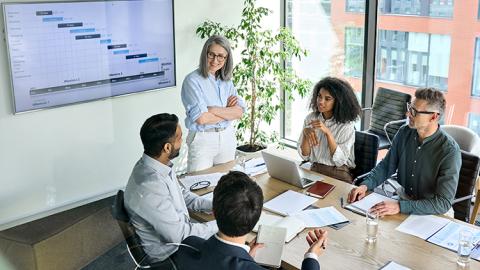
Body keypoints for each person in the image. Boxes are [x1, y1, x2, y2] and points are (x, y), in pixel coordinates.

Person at [173, 171, 328, 270]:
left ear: (214, 210)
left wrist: (247, 258)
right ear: (257, 217)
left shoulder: (188, 246)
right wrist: (311, 256)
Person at [348, 88, 461, 217]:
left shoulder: (450, 151)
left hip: (433, 211)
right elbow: (386, 166)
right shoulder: (404, 132)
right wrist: (365, 186)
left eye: (414, 111)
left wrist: (400, 207)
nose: (408, 114)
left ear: (434, 117)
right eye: (410, 108)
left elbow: (442, 203)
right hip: (403, 199)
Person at [123, 113, 217, 262]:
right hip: (171, 256)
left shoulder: (155, 165)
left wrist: (214, 205)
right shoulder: (149, 187)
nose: (184, 140)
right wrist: (224, 223)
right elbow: (180, 236)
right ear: (167, 147)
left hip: (179, 238)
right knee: (230, 251)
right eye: (179, 138)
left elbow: (182, 195)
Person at [181, 35, 245, 173]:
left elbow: (239, 112)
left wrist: (212, 109)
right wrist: (228, 112)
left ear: (226, 58)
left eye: (221, 56)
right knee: (200, 185)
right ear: (205, 54)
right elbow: (202, 118)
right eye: (211, 54)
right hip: (203, 138)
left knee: (227, 185)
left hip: (227, 136)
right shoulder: (192, 81)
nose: (215, 60)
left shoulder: (227, 81)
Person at [298, 77, 361, 183]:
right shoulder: (310, 118)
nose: (321, 102)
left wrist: (327, 133)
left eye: (327, 99)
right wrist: (305, 134)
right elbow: (305, 156)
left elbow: (340, 161)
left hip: (339, 173)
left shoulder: (346, 125)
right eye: (319, 96)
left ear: (338, 102)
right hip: (315, 169)